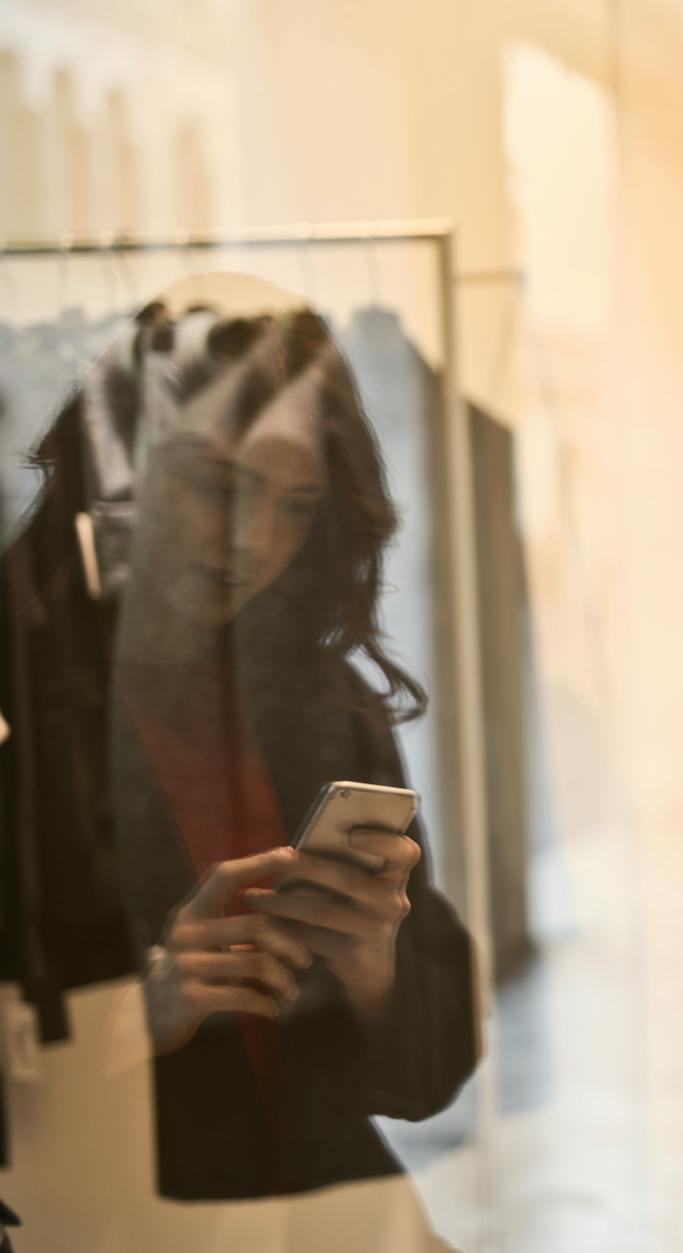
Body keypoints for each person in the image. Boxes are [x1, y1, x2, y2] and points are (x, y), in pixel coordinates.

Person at [0, 289, 478, 1207]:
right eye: (217, 486)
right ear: (117, 468)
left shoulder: (320, 698)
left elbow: (428, 1073)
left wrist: (375, 967)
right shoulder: (16, 685)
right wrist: (141, 1013)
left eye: (295, 506)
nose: (250, 542)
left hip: (318, 1208)